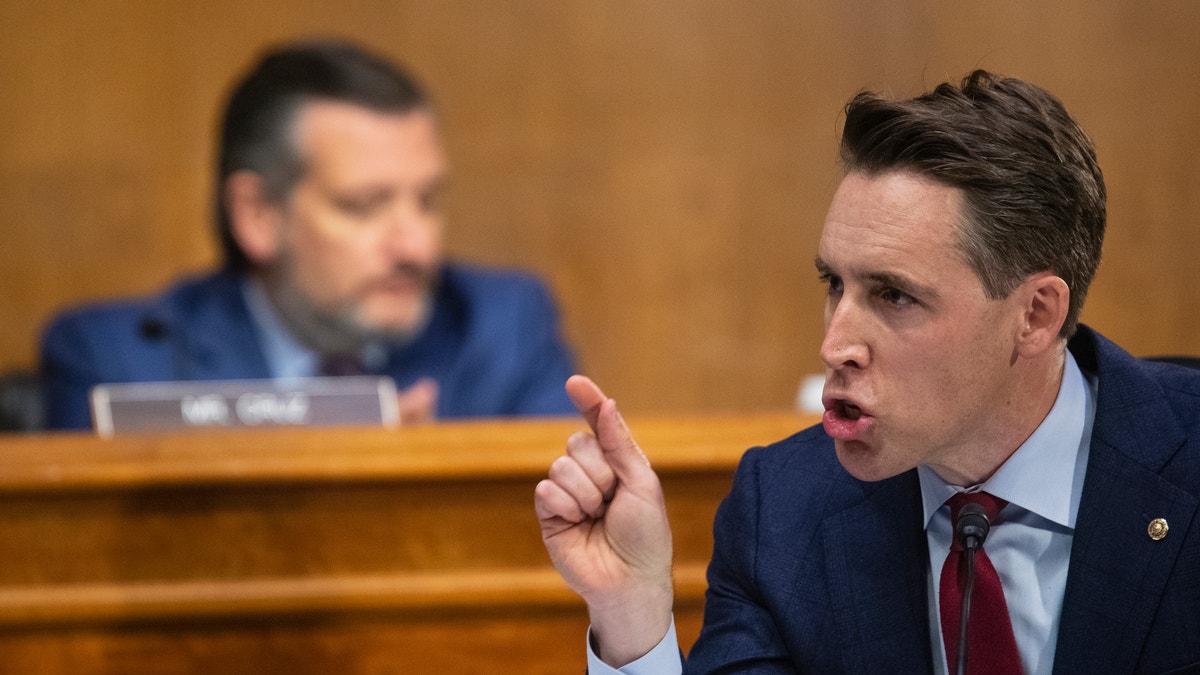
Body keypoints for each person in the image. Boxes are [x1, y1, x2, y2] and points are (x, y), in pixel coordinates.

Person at [536, 71, 1200, 674]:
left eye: (893, 295)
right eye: (835, 283)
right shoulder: (783, 514)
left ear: (1034, 314)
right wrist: (632, 616)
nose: (835, 343)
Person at [40, 39, 577, 430]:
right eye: (364, 207)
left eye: (426, 201)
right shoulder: (120, 364)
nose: (416, 246)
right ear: (257, 216)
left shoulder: (500, 330)